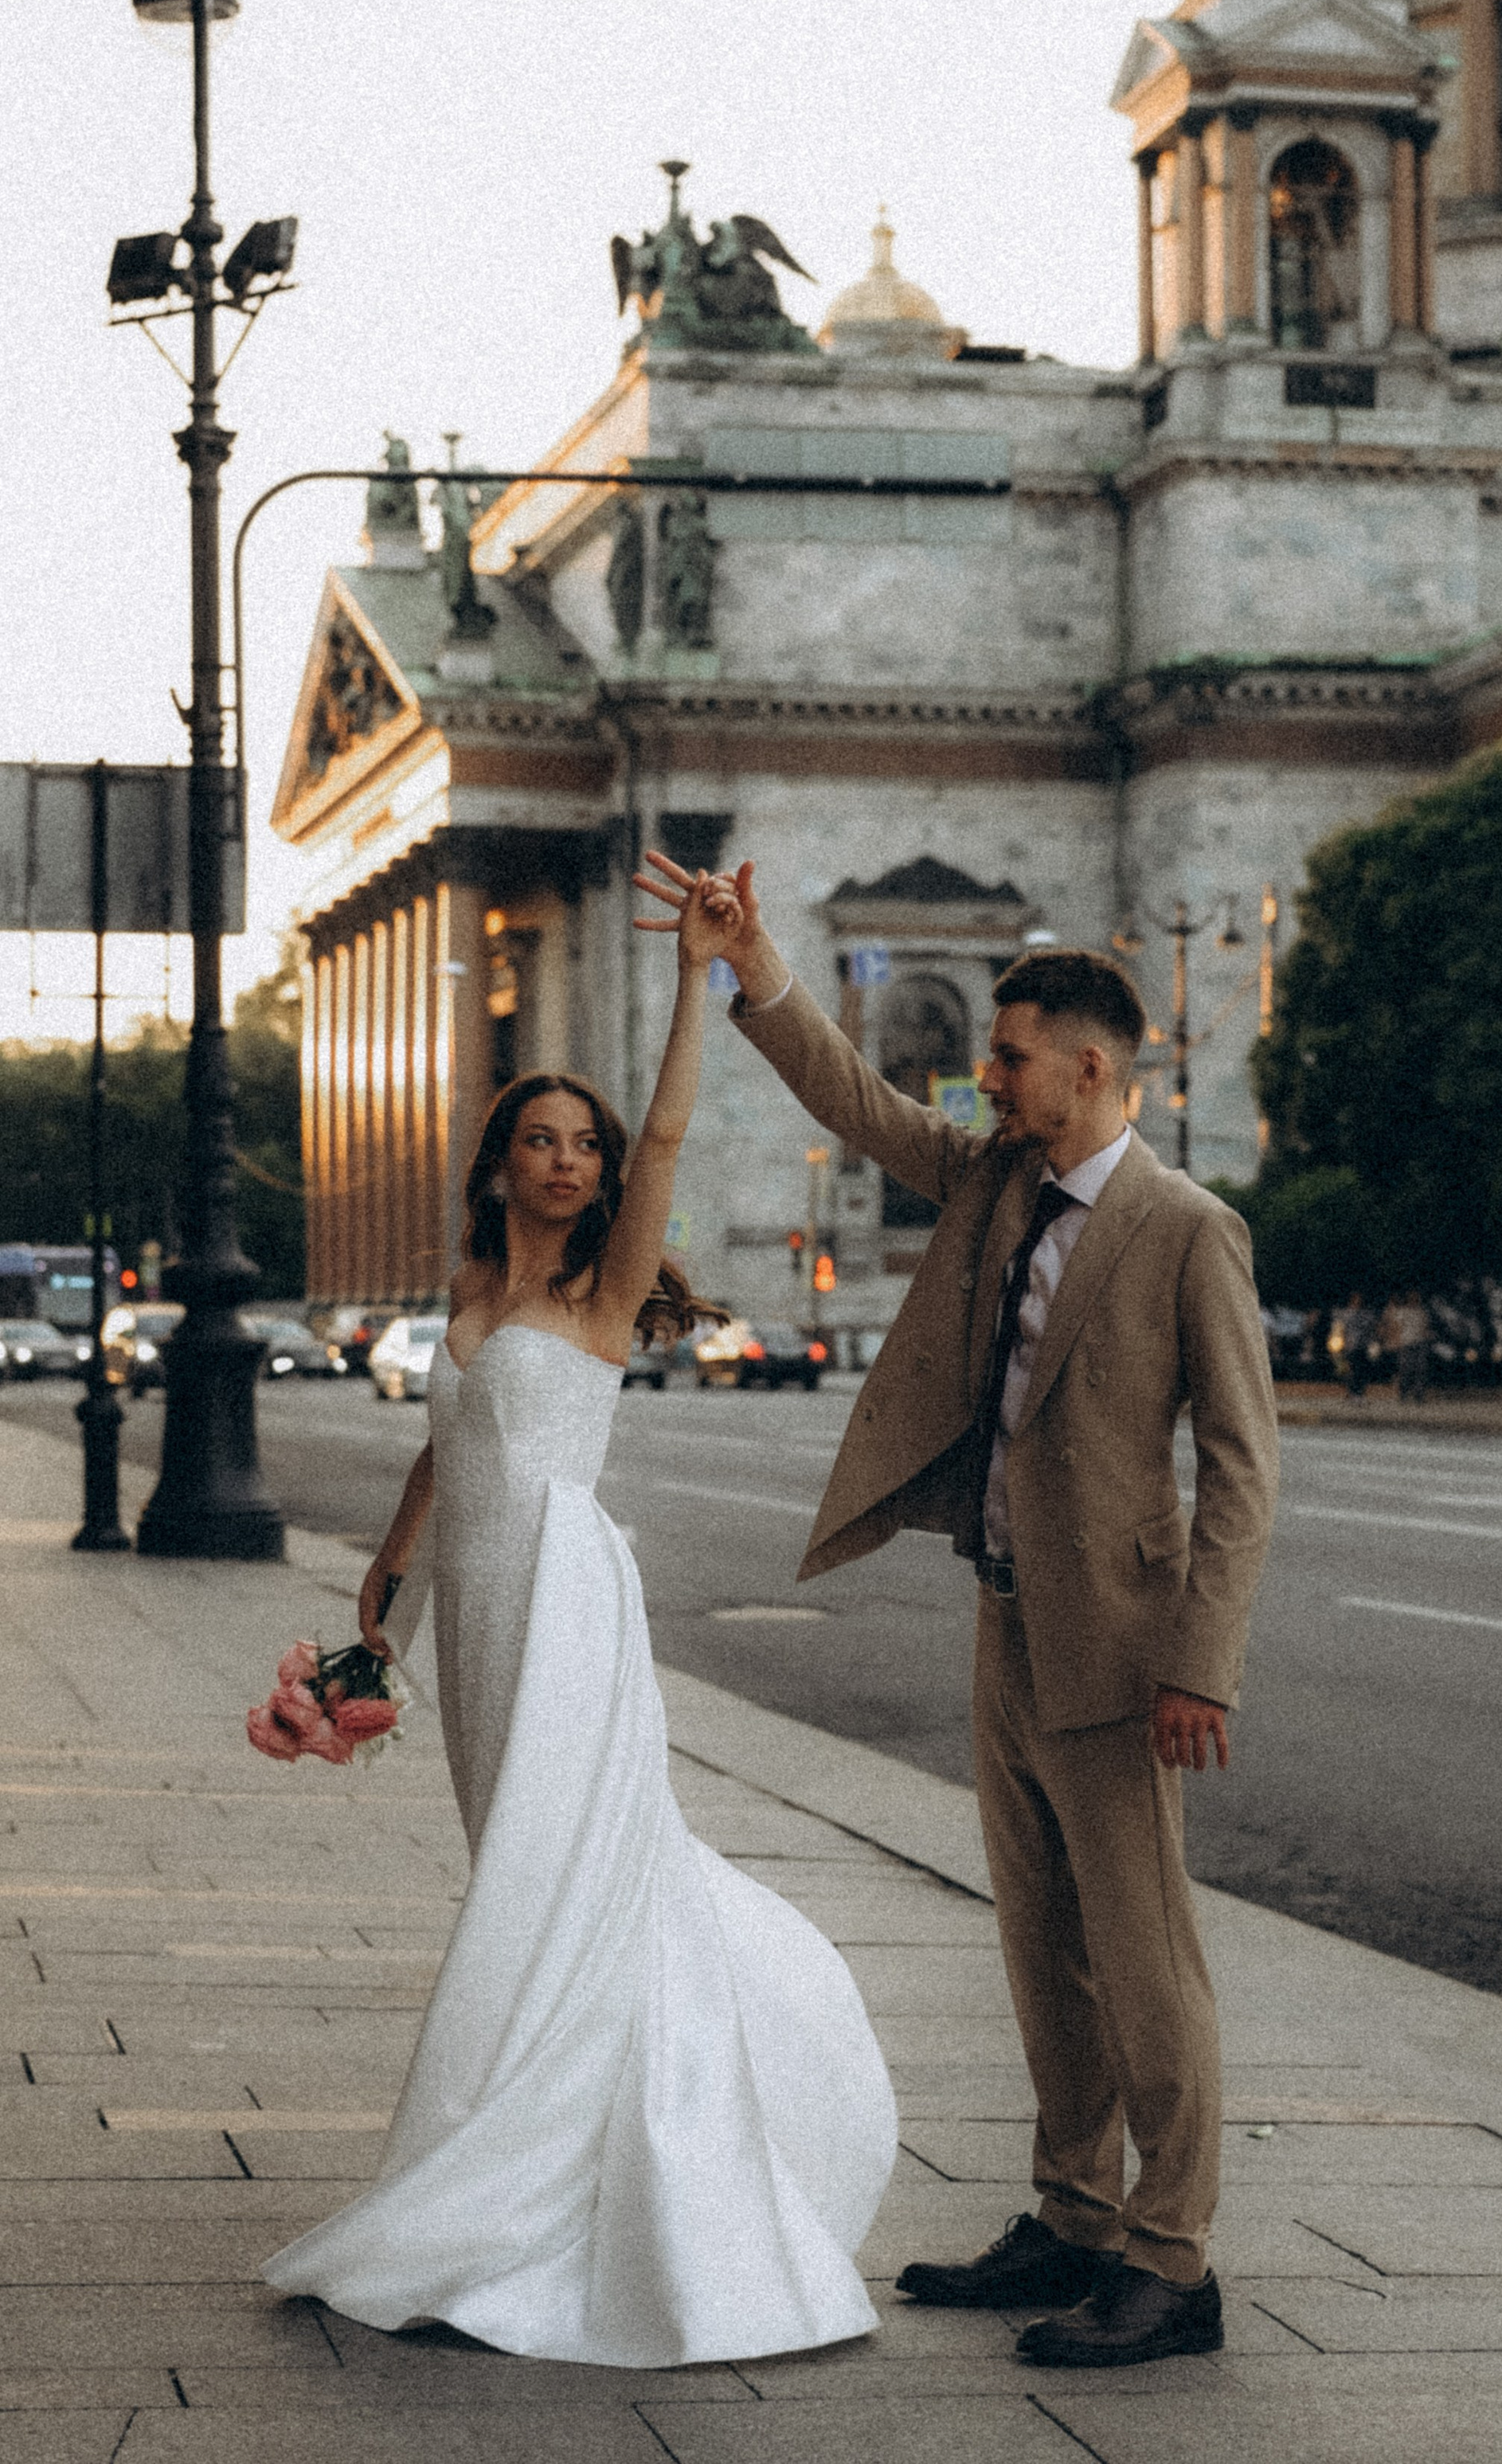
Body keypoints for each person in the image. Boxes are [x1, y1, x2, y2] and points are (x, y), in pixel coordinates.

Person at [263, 874, 895, 2364]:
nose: (569, 1159)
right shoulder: (471, 1289)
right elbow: (446, 1452)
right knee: (523, 1875)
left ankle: (525, 2197)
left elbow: (667, 1134)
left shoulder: (607, 1290)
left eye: (585, 1144)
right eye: (542, 1140)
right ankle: (552, 2154)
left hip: (565, 1607)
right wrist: (382, 1609)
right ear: (499, 1163)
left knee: (547, 1891)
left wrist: (697, 978)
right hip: (477, 1619)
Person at [683, 855, 1279, 2373]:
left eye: (1009, 1058)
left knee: (1147, 1965)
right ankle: (1075, 2215)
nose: (985, 1079)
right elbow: (860, 1106)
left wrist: (1201, 1665)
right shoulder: (999, 1182)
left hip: (1123, 1651)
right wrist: (754, 963)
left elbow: (1241, 1470)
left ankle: (1174, 2261)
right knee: (1042, 1952)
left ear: (1089, 1069)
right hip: (1006, 1620)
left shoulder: (1186, 1229)